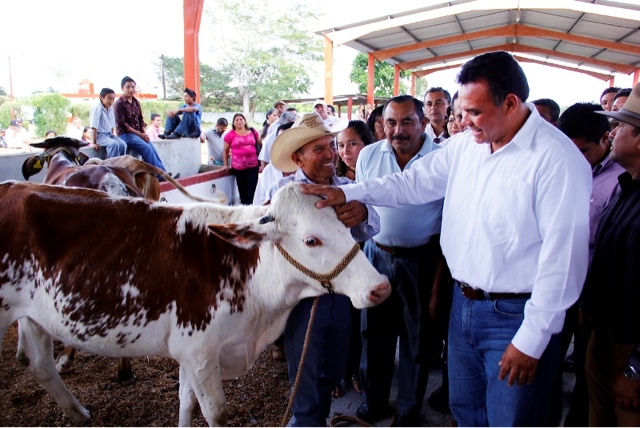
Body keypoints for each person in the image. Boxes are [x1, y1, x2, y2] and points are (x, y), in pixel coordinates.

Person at [302, 51, 592, 427]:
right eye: (460, 111)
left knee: (512, 418)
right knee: (466, 411)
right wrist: (351, 193)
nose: (462, 121)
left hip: (516, 317)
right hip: (464, 305)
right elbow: (411, 183)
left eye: (474, 112)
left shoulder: (557, 160)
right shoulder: (466, 145)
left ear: (510, 103)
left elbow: (563, 260)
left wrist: (532, 339)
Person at [267, 112, 380, 427]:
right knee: (305, 369)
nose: (331, 154)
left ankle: (316, 415)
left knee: (335, 362)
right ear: (298, 159)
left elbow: (374, 227)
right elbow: (263, 242)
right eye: (319, 149)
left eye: (332, 145)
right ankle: (306, 420)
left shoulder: (347, 187)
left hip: (341, 294)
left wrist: (362, 214)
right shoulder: (282, 193)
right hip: (304, 299)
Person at [339, 95, 444, 426]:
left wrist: (438, 283)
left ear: (424, 123)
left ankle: (410, 410)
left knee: (418, 339)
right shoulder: (369, 154)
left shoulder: (441, 158)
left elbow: (449, 221)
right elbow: (363, 204)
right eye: (391, 123)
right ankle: (374, 402)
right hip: (376, 255)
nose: (398, 130)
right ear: (381, 125)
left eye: (407, 122)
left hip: (423, 259)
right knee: (374, 334)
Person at [556, 102, 624, 426]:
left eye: (583, 151)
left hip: (597, 297)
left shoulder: (620, 181)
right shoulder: (561, 166)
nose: (575, 160)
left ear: (605, 139)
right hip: (558, 288)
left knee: (590, 374)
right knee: (551, 363)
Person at [583, 83, 640, 427]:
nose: (612, 133)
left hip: (628, 350)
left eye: (621, 127)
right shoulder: (626, 188)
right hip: (603, 336)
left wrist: (635, 367)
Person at [334, 120, 376, 398]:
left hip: (369, 258)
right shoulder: (335, 182)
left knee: (362, 321)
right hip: (340, 265)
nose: (345, 151)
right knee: (340, 321)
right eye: (340, 145)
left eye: (352, 144)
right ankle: (338, 374)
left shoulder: (375, 178)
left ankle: (358, 372)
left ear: (366, 144)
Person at [114, 76, 167, 172]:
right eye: (128, 87)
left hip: (138, 134)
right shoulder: (118, 104)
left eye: (133, 87)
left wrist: (143, 133)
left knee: (152, 149)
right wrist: (140, 135)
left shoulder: (136, 102)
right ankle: (160, 176)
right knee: (146, 148)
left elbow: (141, 119)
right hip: (125, 135)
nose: (131, 89)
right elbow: (123, 125)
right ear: (122, 88)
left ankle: (164, 173)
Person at [253, 121, 294, 206]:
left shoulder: (309, 170)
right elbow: (258, 203)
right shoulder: (269, 170)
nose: (283, 144)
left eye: (288, 139)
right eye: (280, 139)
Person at [222, 113, 261, 204]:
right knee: (242, 189)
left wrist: (262, 162)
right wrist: (225, 165)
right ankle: (244, 209)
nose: (239, 121)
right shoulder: (230, 135)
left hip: (253, 166)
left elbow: (260, 145)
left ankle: (252, 208)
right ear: (233, 123)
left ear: (245, 121)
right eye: (236, 120)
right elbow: (225, 151)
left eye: (241, 119)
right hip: (239, 167)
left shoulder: (253, 132)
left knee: (253, 188)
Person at [90, 87, 127, 158]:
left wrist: (112, 136)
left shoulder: (110, 108)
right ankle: (111, 167)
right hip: (99, 136)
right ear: (101, 97)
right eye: (109, 98)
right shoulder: (97, 108)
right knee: (114, 144)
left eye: (113, 99)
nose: (111, 101)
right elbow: (94, 126)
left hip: (108, 135)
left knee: (123, 144)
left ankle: (121, 165)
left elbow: (112, 125)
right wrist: (94, 143)